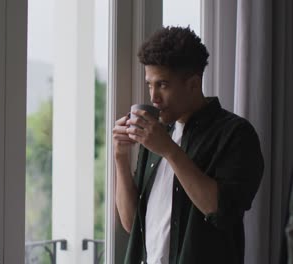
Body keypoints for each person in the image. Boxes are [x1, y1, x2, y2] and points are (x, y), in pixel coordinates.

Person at [113, 26, 264, 264]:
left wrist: (169, 150)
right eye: (149, 84)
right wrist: (120, 157)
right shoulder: (157, 134)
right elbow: (133, 224)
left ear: (193, 84)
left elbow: (220, 211)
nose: (153, 98)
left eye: (162, 85)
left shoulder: (236, 134)